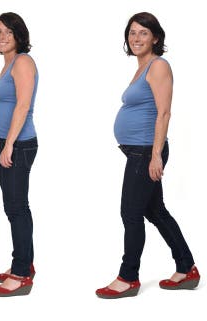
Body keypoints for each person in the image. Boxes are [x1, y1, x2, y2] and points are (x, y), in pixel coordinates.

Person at [96, 12, 199, 299]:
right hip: (139, 151)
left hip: (146, 152)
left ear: (155, 37)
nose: (136, 38)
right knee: (155, 211)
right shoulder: (142, 68)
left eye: (143, 33)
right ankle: (186, 268)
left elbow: (164, 112)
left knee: (130, 213)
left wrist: (156, 155)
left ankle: (128, 278)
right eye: (132, 33)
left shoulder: (158, 66)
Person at [0, 12, 38, 297]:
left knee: (17, 208)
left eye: (8, 32)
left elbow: (23, 106)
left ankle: (20, 275)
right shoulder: (7, 64)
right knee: (15, 208)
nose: (2, 37)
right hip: (7, 144)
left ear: (19, 35)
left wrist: (8, 145)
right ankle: (24, 264)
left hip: (19, 145)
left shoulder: (23, 62)